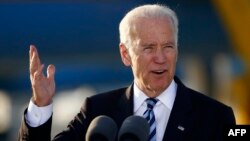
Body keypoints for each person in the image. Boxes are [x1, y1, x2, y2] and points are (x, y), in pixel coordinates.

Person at [18, 4, 235, 141]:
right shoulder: (97, 111)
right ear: (125, 54)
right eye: (149, 48)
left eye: (168, 47)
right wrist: (41, 105)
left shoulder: (216, 116)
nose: (160, 58)